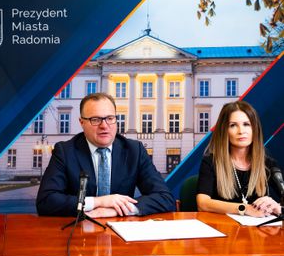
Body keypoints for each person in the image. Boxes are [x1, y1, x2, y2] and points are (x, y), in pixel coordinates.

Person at [36, 93, 176, 217]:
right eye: (95, 119)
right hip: (79, 229)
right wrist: (98, 202)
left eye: (110, 118)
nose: (104, 125)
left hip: (121, 230)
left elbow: (165, 198)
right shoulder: (65, 151)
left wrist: (117, 210)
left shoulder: (135, 150)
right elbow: (46, 201)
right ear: (82, 122)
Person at [197, 100, 281, 217]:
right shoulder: (211, 162)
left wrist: (278, 207)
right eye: (233, 125)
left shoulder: (268, 165)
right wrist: (245, 209)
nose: (241, 131)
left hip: (258, 228)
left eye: (246, 124)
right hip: (222, 226)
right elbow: (202, 204)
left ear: (255, 129)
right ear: (224, 131)